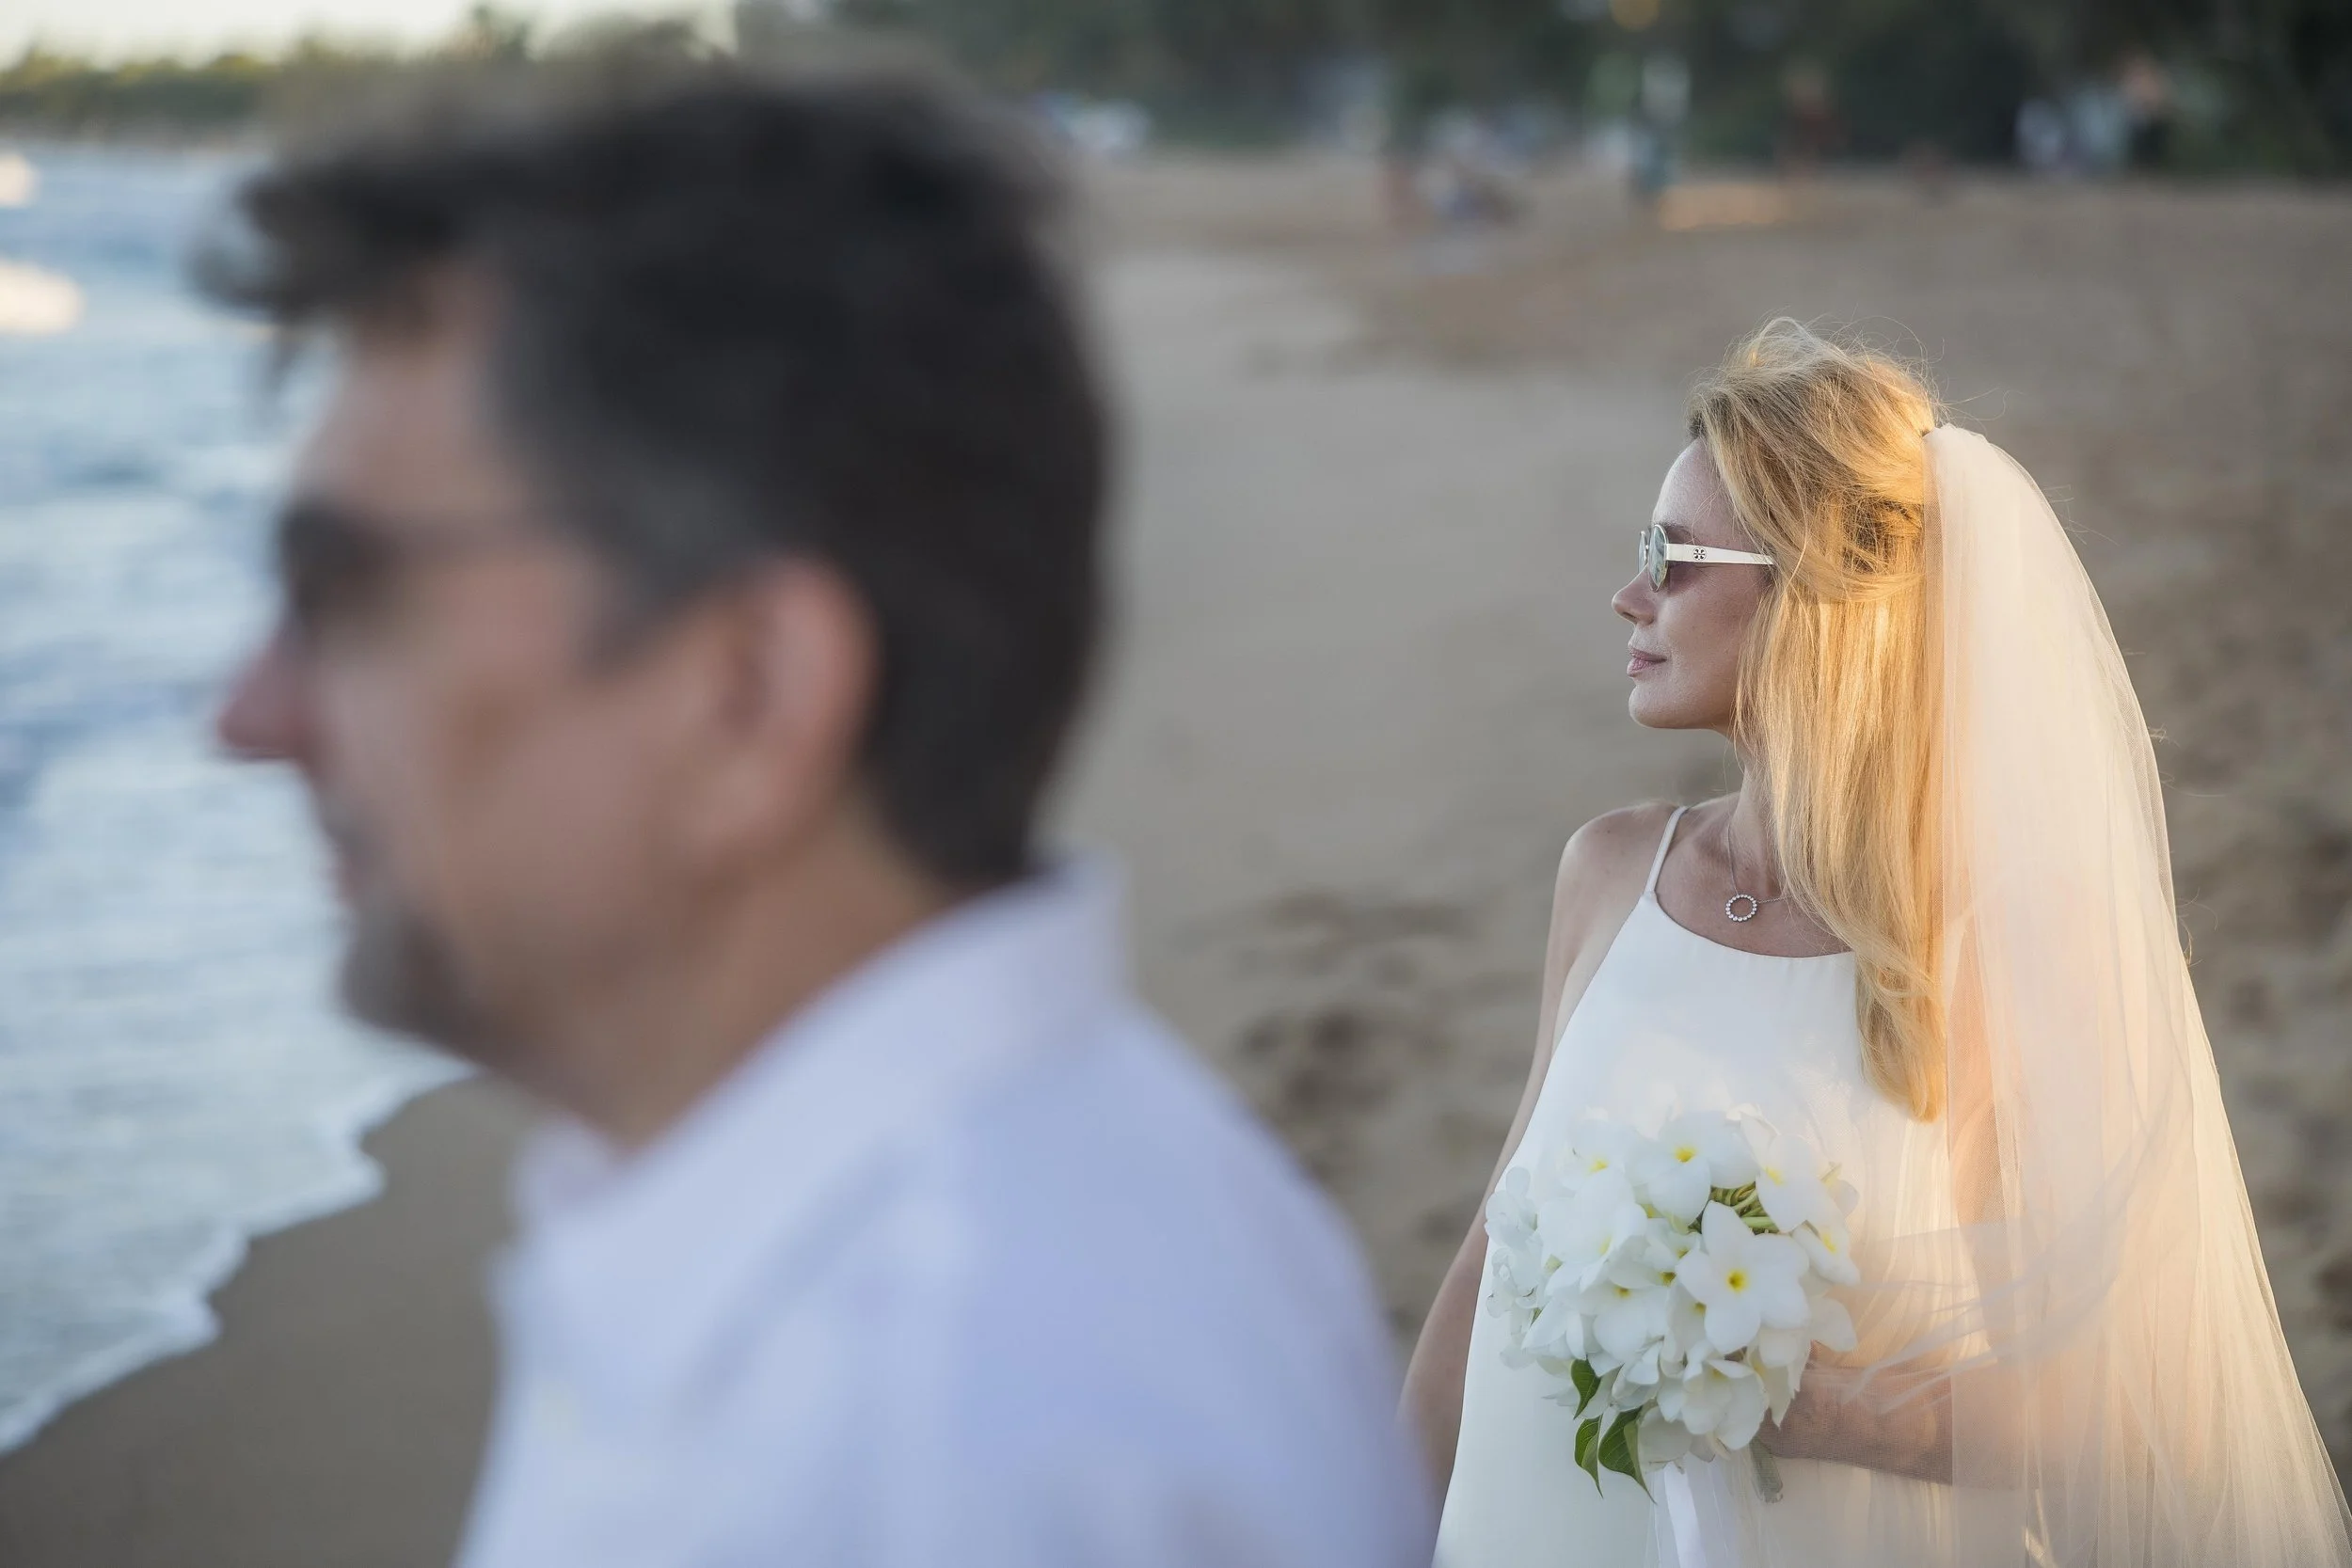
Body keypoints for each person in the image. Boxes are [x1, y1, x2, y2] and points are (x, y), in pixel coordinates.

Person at [206, 64, 1431, 1568]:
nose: (250, 715)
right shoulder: (1015, 1232)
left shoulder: (924, 1453)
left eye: (345, 596)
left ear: (749, 694)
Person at [1404, 319, 2352, 1565]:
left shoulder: (2007, 940)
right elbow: (1491, 1259)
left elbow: (2130, 1403)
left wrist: (1809, 1404)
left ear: (1811, 589)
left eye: (1671, 554)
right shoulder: (1609, 871)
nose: (1629, 593)